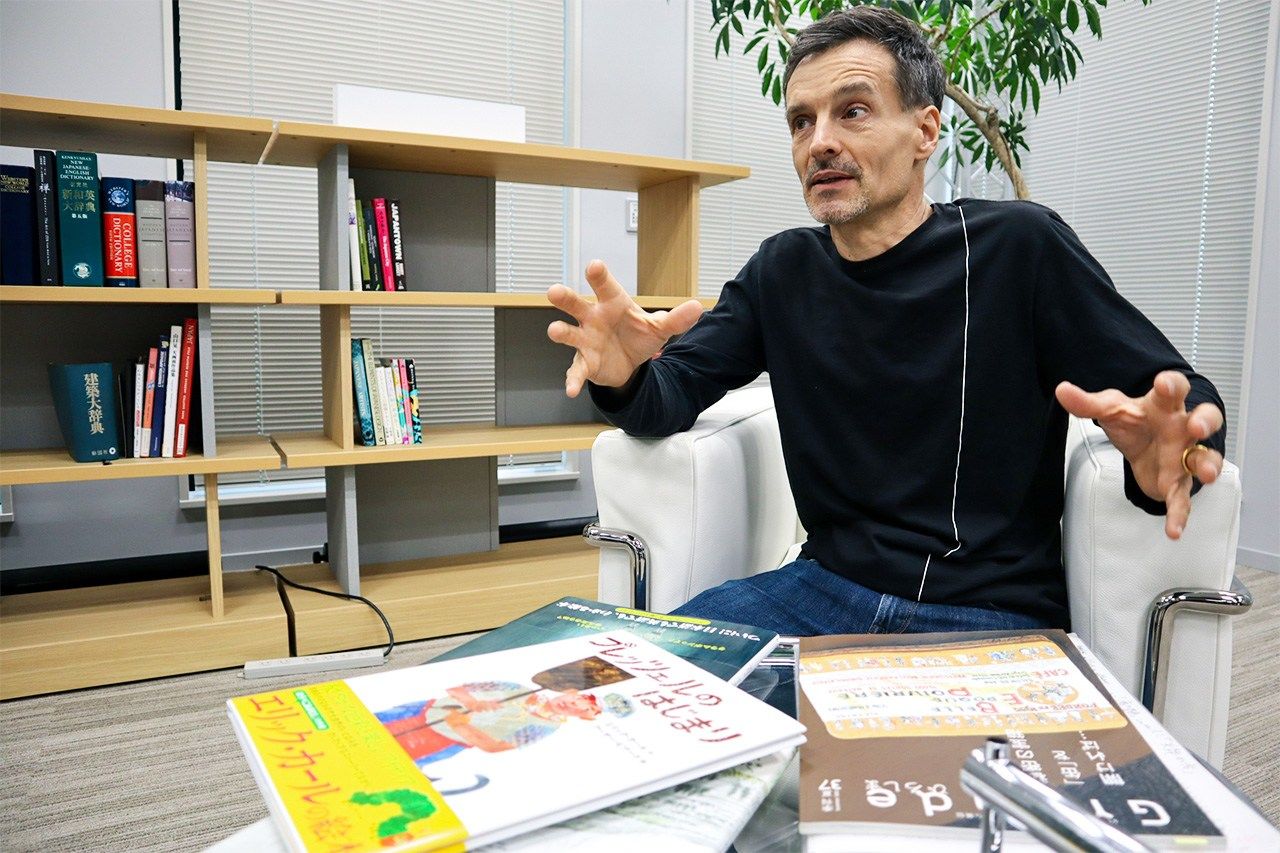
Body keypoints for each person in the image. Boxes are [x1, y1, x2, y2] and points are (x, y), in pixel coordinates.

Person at [544, 6, 1226, 637]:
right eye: (801, 122)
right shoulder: (782, 270)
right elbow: (670, 397)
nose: (820, 143)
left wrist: (1166, 458)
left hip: (988, 613)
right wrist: (626, 374)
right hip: (820, 590)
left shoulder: (1020, 248)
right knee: (624, 684)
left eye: (854, 111)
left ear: (925, 131)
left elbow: (1175, 401)